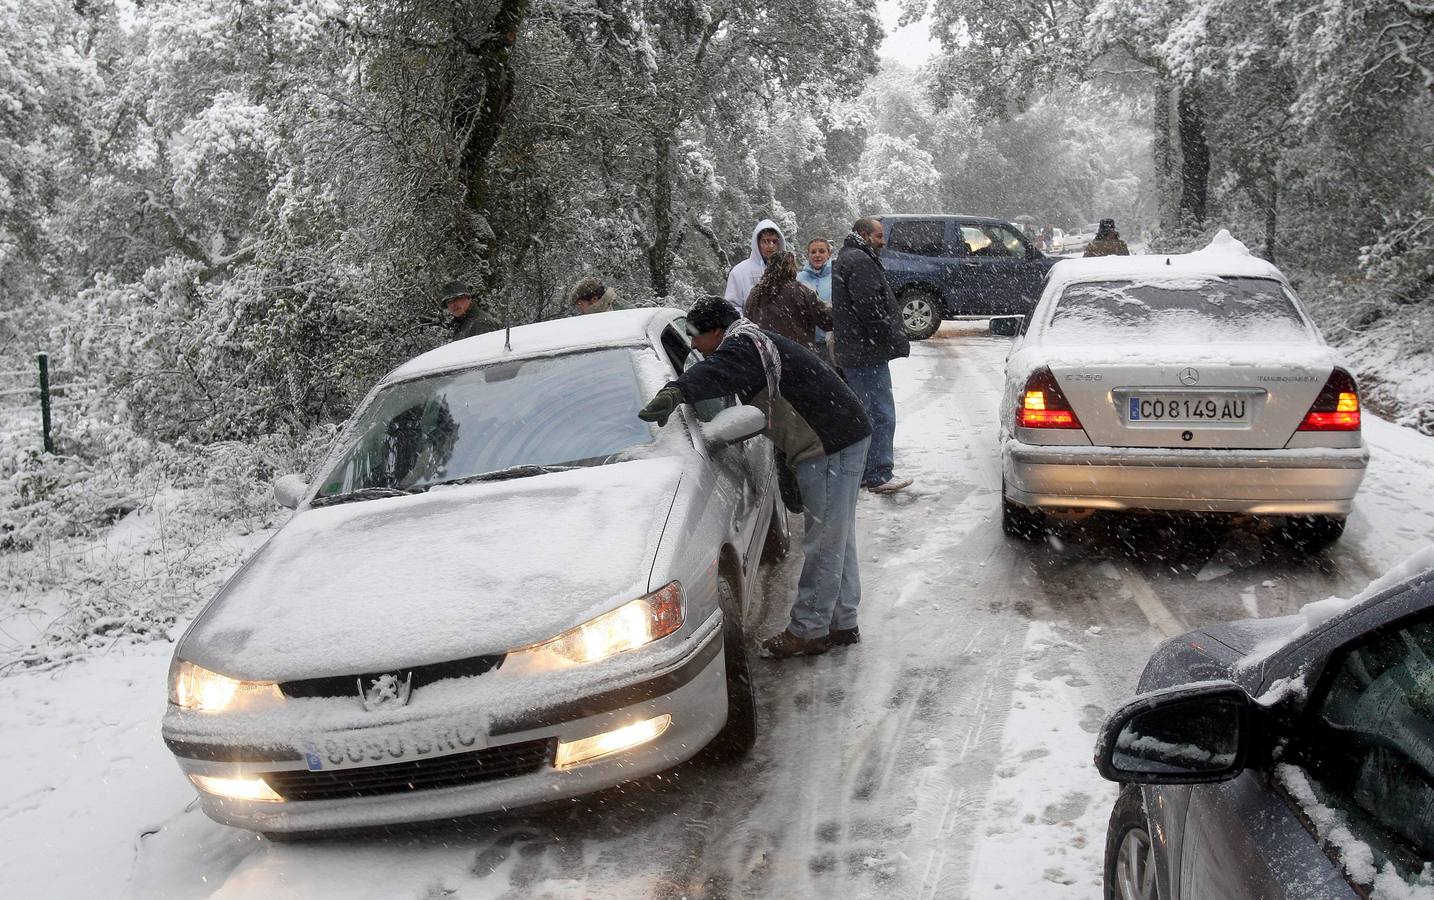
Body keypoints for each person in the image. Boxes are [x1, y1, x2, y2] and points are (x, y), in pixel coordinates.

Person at [638, 297, 872, 658]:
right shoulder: (755, 341)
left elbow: (718, 370)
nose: (694, 346)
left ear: (717, 331)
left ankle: (809, 630)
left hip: (830, 443)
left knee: (825, 541)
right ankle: (842, 621)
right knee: (836, 538)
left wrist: (677, 391)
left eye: (696, 337)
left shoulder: (744, 346)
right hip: (841, 433)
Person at [832, 217, 913, 493]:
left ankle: (866, 471)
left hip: (856, 350)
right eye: (879, 236)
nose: (883, 240)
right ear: (864, 235)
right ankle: (878, 473)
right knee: (880, 413)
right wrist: (889, 336)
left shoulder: (849, 258)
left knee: (865, 412)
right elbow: (869, 308)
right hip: (865, 352)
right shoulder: (860, 261)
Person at [745, 250, 832, 352]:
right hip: (797, 353)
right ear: (791, 267)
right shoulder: (801, 291)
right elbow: (827, 321)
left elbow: (747, 322)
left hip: (765, 354)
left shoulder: (756, 293)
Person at [724, 219, 785, 313]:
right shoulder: (739, 272)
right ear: (757, 243)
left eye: (774, 241)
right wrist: (747, 325)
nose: (771, 246)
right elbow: (732, 307)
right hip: (749, 326)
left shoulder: (785, 271)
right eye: (766, 241)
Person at [798, 238, 835, 360]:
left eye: (821, 251)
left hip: (832, 343)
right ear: (808, 255)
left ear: (829, 254)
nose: (817, 255)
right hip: (806, 342)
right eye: (813, 252)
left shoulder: (837, 276)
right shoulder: (799, 278)